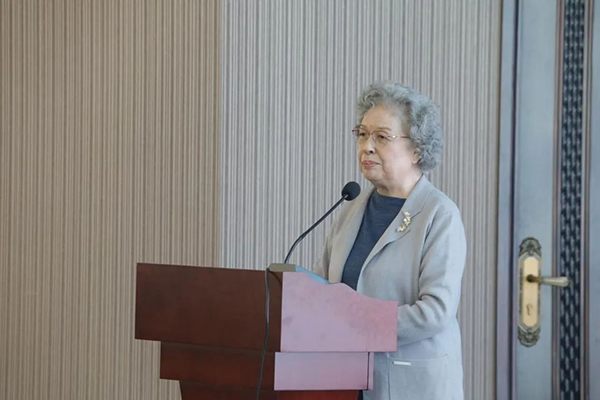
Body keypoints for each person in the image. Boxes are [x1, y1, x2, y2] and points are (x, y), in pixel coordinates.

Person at [312, 82, 466, 400]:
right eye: (362, 134)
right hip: (343, 381)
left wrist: (358, 326)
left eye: (381, 137)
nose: (367, 147)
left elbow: (435, 311)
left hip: (411, 386)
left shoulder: (440, 214)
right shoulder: (352, 207)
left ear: (417, 149)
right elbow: (320, 287)